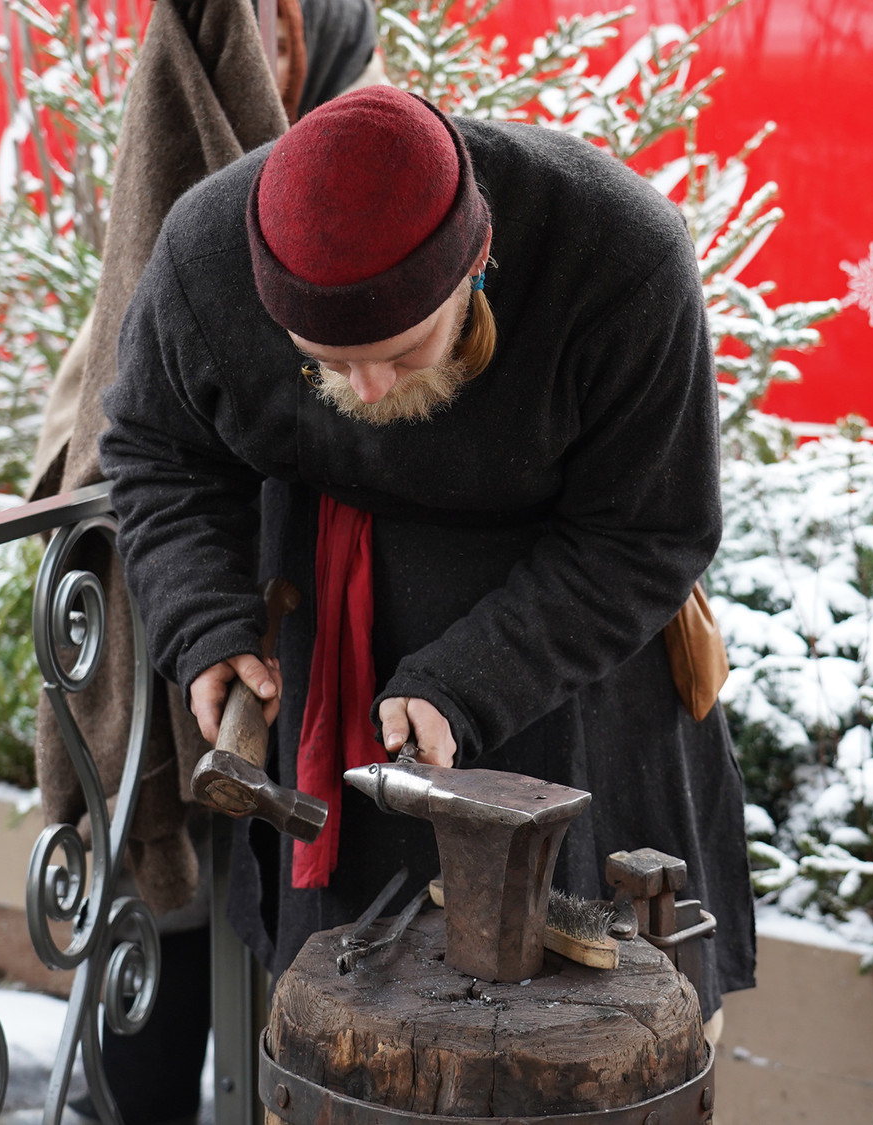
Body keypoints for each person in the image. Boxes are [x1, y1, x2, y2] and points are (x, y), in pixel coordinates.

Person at [99, 84, 755, 1034]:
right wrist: (200, 615)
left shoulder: (617, 252)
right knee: (345, 1038)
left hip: (578, 672)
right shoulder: (206, 255)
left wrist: (470, 680)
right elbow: (159, 451)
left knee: (599, 1033)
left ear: (475, 265)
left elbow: (649, 531)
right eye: (326, 361)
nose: (366, 391)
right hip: (334, 669)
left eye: (402, 352)